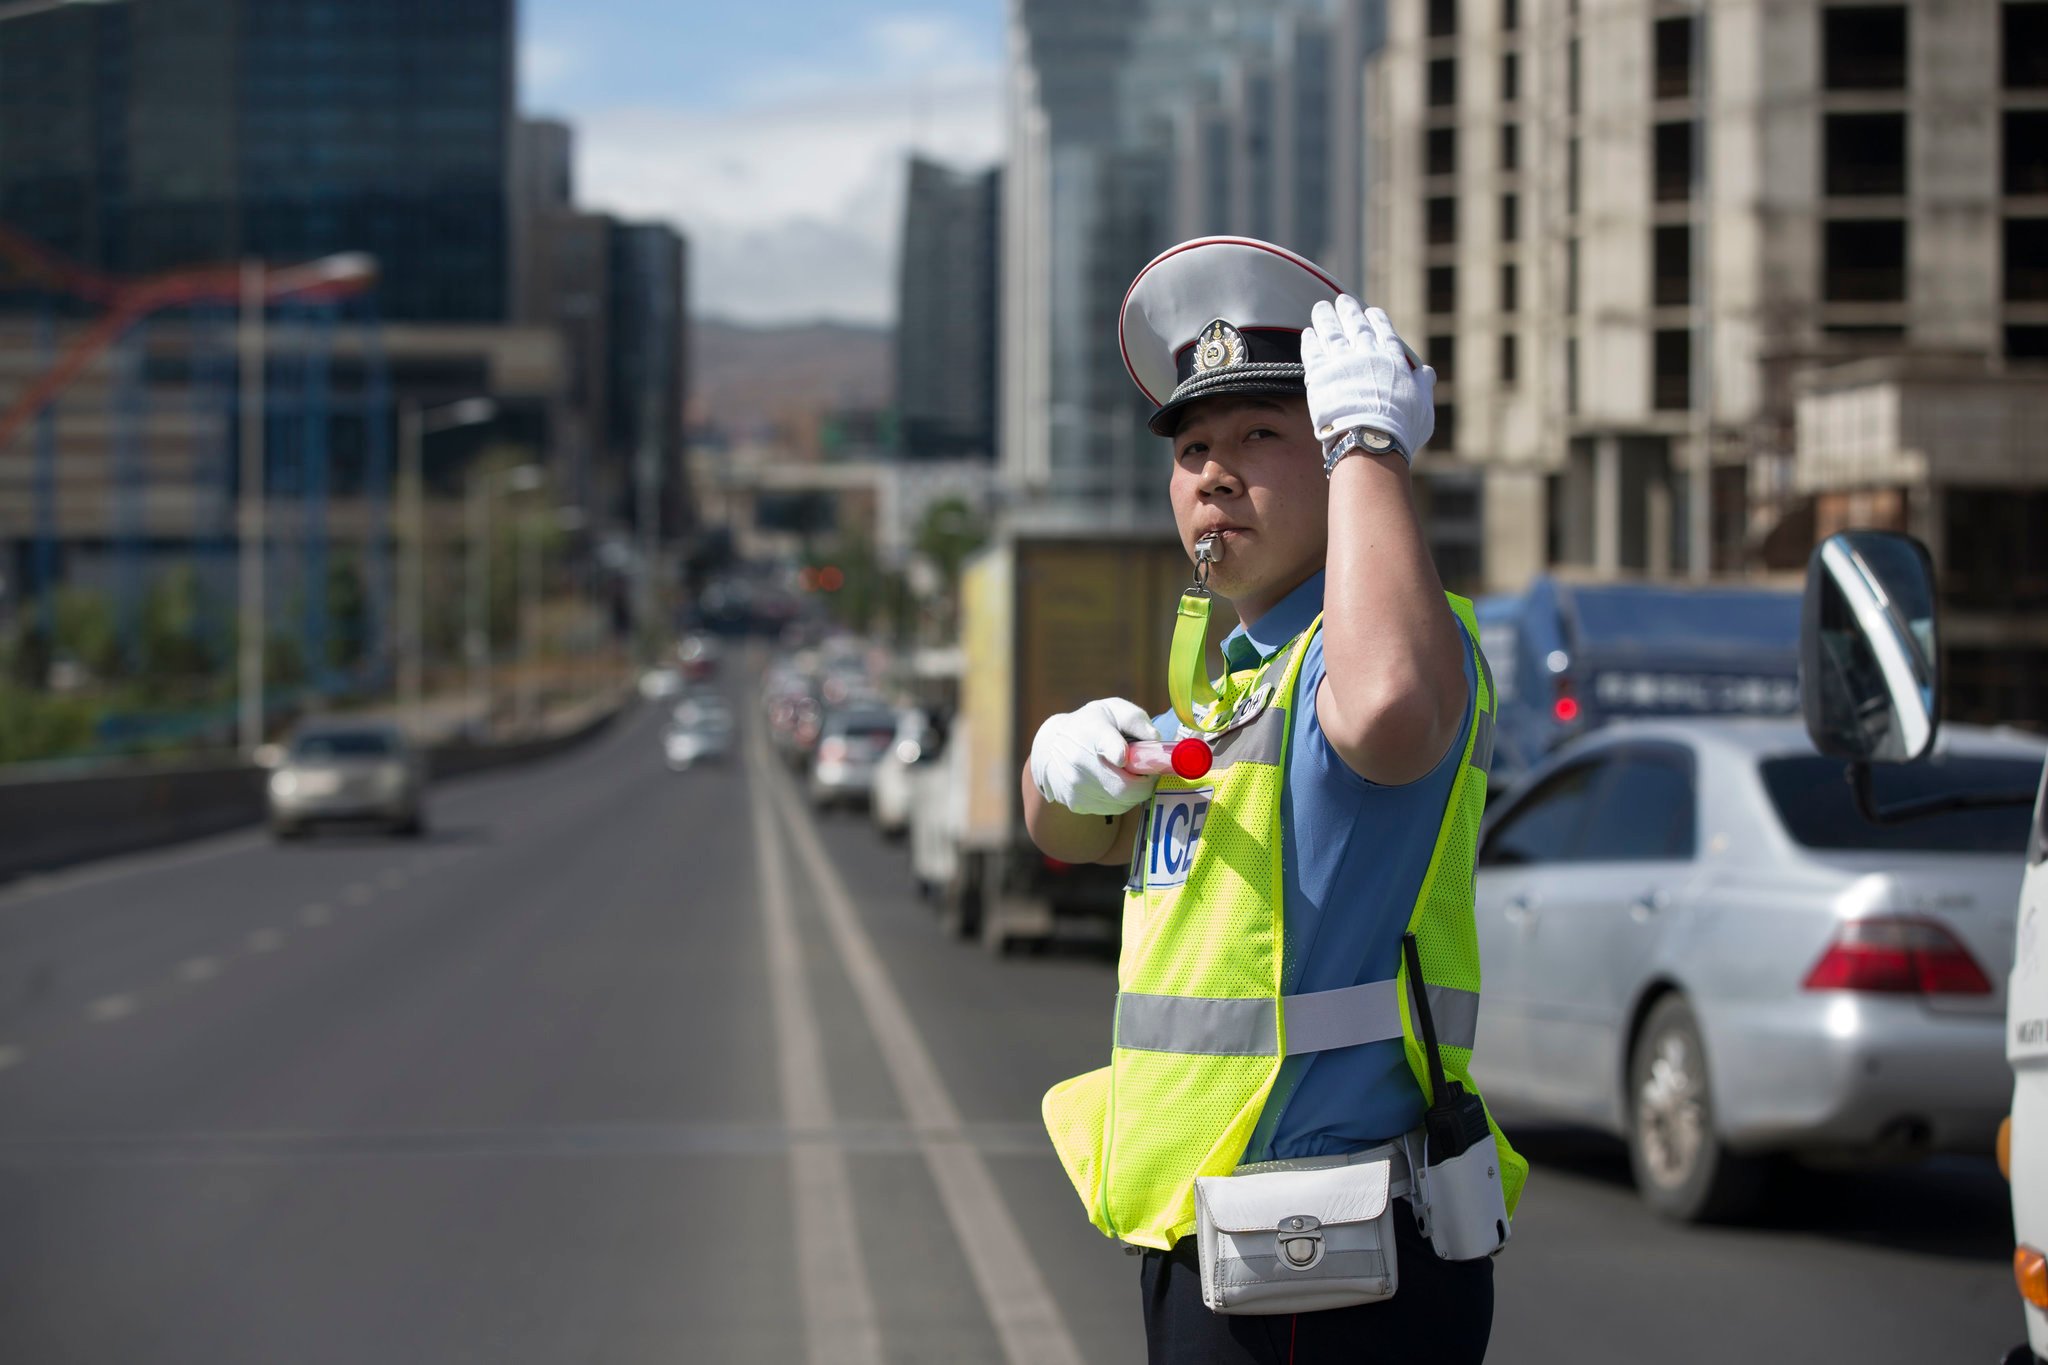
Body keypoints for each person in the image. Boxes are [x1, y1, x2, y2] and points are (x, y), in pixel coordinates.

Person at [1024, 237, 1525, 1363]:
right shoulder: (1232, 686)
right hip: (1210, 1240)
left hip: (1328, 1260)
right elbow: (1072, 831)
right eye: (1192, 445)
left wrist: (1370, 455)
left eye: (1261, 435)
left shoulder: (1378, 656)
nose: (1212, 470)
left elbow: (1391, 708)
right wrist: (1055, 764)